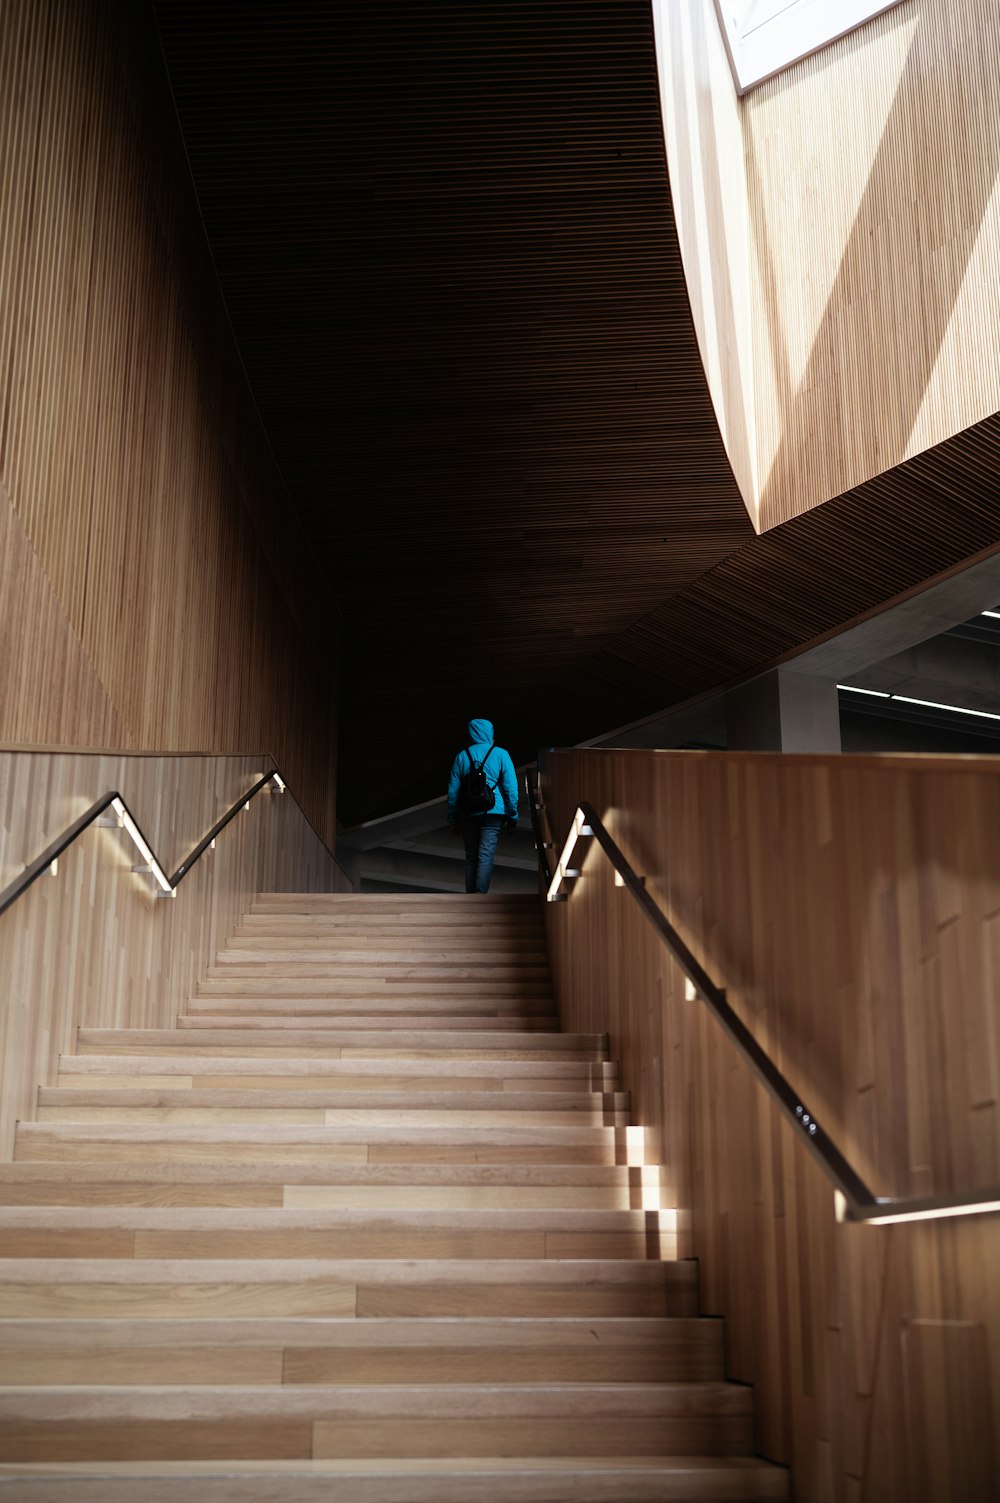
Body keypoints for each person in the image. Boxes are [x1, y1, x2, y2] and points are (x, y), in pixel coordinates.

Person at [447, 717, 518, 894]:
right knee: (485, 855)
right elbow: (510, 787)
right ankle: (480, 896)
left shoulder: (462, 756)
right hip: (494, 811)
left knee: (471, 856)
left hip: (467, 812)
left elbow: (453, 791)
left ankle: (470, 896)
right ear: (490, 733)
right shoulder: (501, 754)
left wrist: (453, 818)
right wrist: (513, 813)